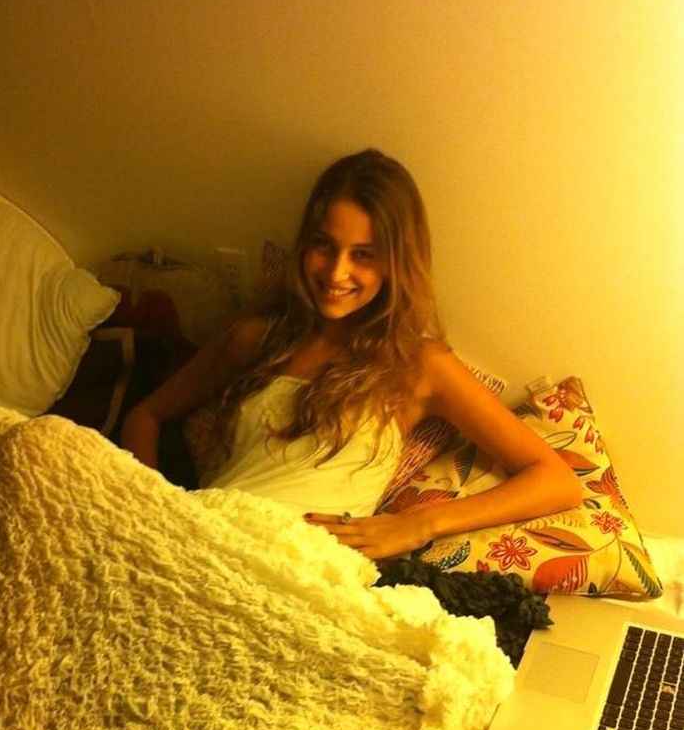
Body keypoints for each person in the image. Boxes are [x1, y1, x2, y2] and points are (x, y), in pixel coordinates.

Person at [121, 149, 581, 560]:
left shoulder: (418, 365)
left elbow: (555, 480)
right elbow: (145, 415)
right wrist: (159, 509)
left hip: (310, 567)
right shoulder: (257, 338)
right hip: (207, 539)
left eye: (363, 255)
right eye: (324, 246)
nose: (336, 273)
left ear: (395, 263)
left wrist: (418, 524)